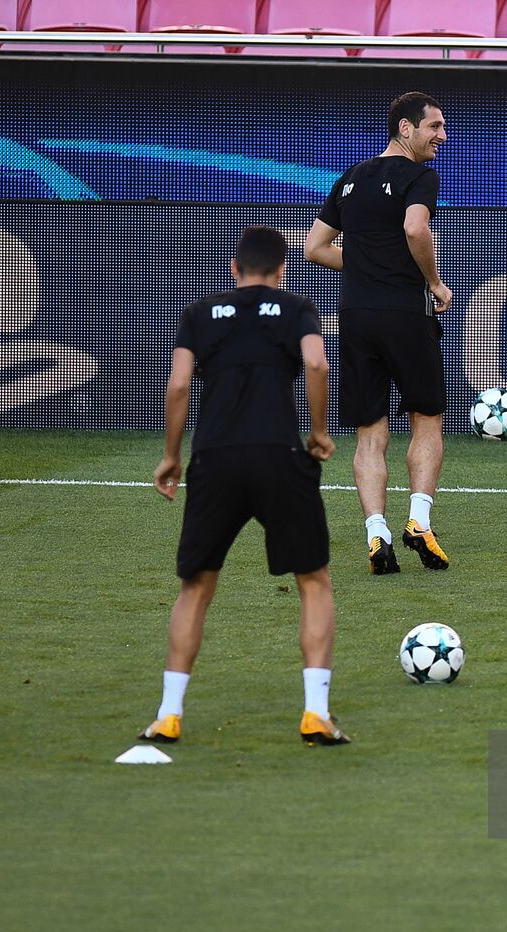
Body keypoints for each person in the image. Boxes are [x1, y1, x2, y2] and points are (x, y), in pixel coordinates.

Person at [138, 226, 349, 749]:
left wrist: (171, 456)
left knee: (196, 587)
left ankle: (168, 714)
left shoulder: (200, 314)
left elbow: (178, 384)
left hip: (215, 460)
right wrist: (319, 432)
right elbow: (318, 363)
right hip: (279, 455)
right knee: (314, 581)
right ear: (282, 271)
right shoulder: (298, 308)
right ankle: (316, 713)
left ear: (234, 269)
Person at [304, 91, 453, 575]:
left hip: (355, 317)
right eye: (434, 127)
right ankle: (418, 522)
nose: (442, 137)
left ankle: (376, 532)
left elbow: (313, 247)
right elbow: (415, 228)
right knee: (426, 419)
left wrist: (365, 263)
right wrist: (433, 281)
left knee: (370, 433)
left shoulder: (351, 178)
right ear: (405, 129)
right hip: (405, 314)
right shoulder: (419, 176)